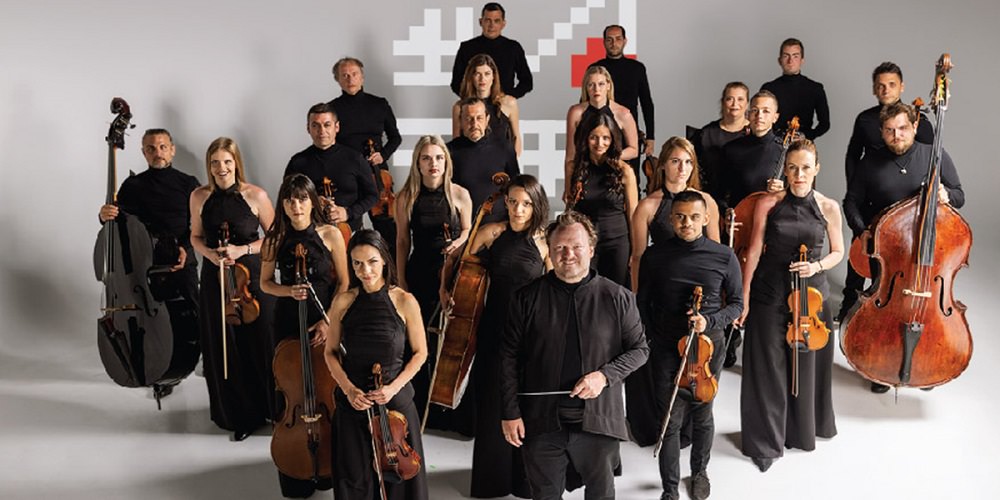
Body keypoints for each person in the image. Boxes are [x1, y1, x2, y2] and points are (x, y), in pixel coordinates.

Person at [499, 211, 648, 500]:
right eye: (560, 247)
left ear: (591, 250)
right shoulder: (526, 298)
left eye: (577, 246)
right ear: (550, 251)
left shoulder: (618, 297)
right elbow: (508, 358)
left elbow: (640, 350)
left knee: (601, 495)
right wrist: (510, 412)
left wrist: (604, 377)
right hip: (541, 421)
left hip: (599, 421)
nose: (568, 254)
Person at [440, 174, 551, 498]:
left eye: (526, 203)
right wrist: (446, 291)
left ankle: (525, 480)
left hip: (530, 332)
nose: (518, 209)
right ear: (505, 201)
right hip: (493, 326)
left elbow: (551, 289)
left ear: (537, 205)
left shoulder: (544, 240)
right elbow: (459, 266)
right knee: (492, 401)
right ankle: (492, 481)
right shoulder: (490, 232)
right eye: (513, 201)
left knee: (526, 403)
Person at [842, 101, 964, 393]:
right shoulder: (870, 162)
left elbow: (960, 195)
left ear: (915, 126)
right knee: (885, 313)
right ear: (881, 132)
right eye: (889, 130)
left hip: (927, 255)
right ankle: (881, 368)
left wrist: (946, 195)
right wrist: (862, 231)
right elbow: (851, 202)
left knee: (926, 310)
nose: (896, 136)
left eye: (902, 129)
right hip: (887, 253)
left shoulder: (934, 155)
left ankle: (926, 363)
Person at [738, 139, 843, 472]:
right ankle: (765, 443)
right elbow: (754, 250)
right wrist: (744, 295)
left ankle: (801, 432)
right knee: (767, 366)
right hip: (770, 289)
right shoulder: (768, 203)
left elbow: (838, 252)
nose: (799, 175)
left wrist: (817, 266)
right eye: (793, 168)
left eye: (806, 168)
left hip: (811, 294)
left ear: (816, 169)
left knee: (806, 365)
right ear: (785, 169)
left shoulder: (829, 207)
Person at [637, 190, 743, 500]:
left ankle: (699, 472)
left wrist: (709, 321)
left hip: (708, 346)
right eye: (680, 217)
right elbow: (643, 302)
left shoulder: (724, 256)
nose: (687, 223)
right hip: (667, 345)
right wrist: (652, 338)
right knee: (669, 419)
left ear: (706, 218)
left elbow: (737, 304)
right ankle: (669, 488)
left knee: (703, 413)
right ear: (671, 219)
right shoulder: (654, 256)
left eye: (695, 217)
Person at [259, 174, 349, 497]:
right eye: (289, 200)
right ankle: (294, 466)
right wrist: (288, 291)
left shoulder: (331, 234)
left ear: (312, 202)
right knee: (291, 389)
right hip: (288, 322)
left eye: (302, 199)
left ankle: (329, 463)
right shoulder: (274, 239)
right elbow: (265, 283)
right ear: (283, 204)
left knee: (328, 388)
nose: (296, 206)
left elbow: (344, 283)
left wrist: (328, 323)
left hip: (323, 318)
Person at [323, 229, 429, 500]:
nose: (365, 270)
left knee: (402, 479)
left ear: (384, 259)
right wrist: (348, 389)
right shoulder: (343, 301)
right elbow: (330, 352)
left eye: (371, 261)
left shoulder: (405, 301)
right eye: (357, 263)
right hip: (355, 401)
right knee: (355, 478)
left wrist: (392, 388)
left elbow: (420, 353)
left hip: (394, 401)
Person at [97, 128, 201, 399]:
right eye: (151, 148)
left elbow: (199, 223)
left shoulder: (188, 183)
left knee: (195, 316)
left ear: (172, 149)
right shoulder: (133, 186)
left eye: (163, 147)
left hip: (180, 260)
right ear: (144, 152)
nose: (158, 153)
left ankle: (196, 363)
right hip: (144, 266)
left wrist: (186, 249)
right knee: (150, 322)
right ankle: (157, 370)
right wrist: (104, 215)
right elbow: (118, 225)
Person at [189, 137, 276, 441]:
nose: (221, 168)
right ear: (209, 166)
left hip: (251, 277)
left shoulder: (256, 195)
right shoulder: (199, 197)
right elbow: (196, 237)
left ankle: (273, 409)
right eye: (215, 162)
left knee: (260, 341)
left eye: (227, 161)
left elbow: (275, 237)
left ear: (236, 163)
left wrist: (242, 250)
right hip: (215, 278)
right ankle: (241, 416)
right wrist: (210, 254)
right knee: (226, 347)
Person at [838, 62, 935, 326]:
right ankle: (849, 303)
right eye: (880, 85)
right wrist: (854, 187)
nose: (885, 89)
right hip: (872, 194)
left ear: (901, 87)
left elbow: (927, 160)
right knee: (861, 249)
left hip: (909, 202)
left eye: (891, 84)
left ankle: (899, 305)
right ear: (874, 89)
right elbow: (853, 155)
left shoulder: (917, 120)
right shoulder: (865, 119)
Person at [394, 136, 473, 428]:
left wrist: (458, 243)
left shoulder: (460, 194)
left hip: (453, 273)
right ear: (418, 163)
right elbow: (402, 241)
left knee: (452, 342)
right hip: (420, 272)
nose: (433, 164)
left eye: (439, 158)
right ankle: (420, 410)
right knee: (420, 342)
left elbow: (468, 231)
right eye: (426, 158)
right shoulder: (406, 197)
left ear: (446, 161)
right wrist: (401, 281)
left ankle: (451, 412)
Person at [329, 57, 403, 256]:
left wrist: (382, 155)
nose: (350, 79)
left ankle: (392, 270)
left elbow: (395, 138)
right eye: (344, 75)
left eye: (354, 74)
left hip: (377, 174)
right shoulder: (332, 109)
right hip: (348, 176)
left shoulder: (379, 104)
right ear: (337, 80)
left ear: (362, 77)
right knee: (348, 229)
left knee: (388, 231)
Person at [630, 137, 721, 291]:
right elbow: (638, 257)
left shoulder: (707, 201)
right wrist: (636, 296)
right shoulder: (647, 206)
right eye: (675, 161)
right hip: (663, 283)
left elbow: (715, 252)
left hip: (699, 283)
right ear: (663, 165)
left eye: (688, 162)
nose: (682, 168)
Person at [568, 112, 638, 289]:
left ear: (613, 140)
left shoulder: (624, 171)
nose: (600, 143)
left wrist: (635, 251)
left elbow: (633, 214)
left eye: (606, 138)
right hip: (585, 243)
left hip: (617, 242)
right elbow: (571, 208)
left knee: (616, 293)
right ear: (586, 138)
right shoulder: (574, 168)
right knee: (585, 291)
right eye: (594, 137)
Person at [285, 103, 379, 233]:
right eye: (315, 125)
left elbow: (372, 196)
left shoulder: (355, 159)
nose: (321, 131)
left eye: (327, 125)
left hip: (350, 232)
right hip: (310, 233)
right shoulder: (297, 162)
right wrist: (312, 202)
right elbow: (286, 198)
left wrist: (348, 212)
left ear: (337, 127)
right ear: (308, 128)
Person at [588, 24, 655, 179]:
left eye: (618, 39)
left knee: (631, 179)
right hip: (600, 133)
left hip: (629, 135)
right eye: (609, 39)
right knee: (598, 179)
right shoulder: (595, 69)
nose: (614, 43)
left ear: (625, 41)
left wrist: (651, 137)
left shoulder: (637, 68)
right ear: (604, 42)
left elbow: (647, 103)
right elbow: (585, 104)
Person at [564, 66, 639, 201]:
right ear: (586, 88)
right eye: (591, 85)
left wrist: (608, 156)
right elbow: (570, 154)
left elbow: (634, 150)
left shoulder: (623, 114)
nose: (596, 89)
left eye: (601, 84)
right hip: (584, 174)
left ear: (608, 86)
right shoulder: (575, 112)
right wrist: (567, 186)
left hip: (613, 175)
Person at [447, 97, 520, 223]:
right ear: (461, 121)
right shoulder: (449, 151)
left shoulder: (504, 148)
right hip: (462, 225)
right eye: (468, 119)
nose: (474, 124)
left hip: (498, 225)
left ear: (487, 120)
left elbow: (516, 189)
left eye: (479, 118)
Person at [712, 90, 786, 215]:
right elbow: (718, 192)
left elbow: (799, 195)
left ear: (775, 117)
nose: (759, 116)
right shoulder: (731, 149)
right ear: (748, 115)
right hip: (740, 219)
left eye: (766, 111)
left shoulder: (785, 151)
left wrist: (783, 192)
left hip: (774, 219)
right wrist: (726, 212)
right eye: (755, 110)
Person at [450, 2, 532, 99]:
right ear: (481, 22)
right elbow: (456, 83)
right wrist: (472, 100)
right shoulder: (467, 48)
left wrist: (508, 97)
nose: (491, 25)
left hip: (503, 104)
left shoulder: (513, 48)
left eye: (496, 21)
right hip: (474, 105)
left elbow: (527, 82)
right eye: (488, 20)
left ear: (503, 24)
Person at [452, 53, 522, 156]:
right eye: (477, 74)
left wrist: (511, 162)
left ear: (493, 76)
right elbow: (456, 144)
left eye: (487, 74)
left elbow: (516, 138)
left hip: (501, 163)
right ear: (471, 77)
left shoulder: (509, 103)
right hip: (471, 161)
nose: (482, 79)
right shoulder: (459, 107)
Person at [760, 38, 830, 140]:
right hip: (773, 144)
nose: (790, 61)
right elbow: (760, 119)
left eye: (795, 56)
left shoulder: (815, 89)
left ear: (802, 60)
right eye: (786, 56)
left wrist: (806, 136)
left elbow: (825, 124)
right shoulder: (768, 89)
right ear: (779, 60)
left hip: (803, 145)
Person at [693, 82, 750, 196]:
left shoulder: (755, 133)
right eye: (729, 99)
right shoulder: (707, 133)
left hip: (746, 198)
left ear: (747, 104)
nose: (735, 104)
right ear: (723, 102)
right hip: (711, 195)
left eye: (740, 99)